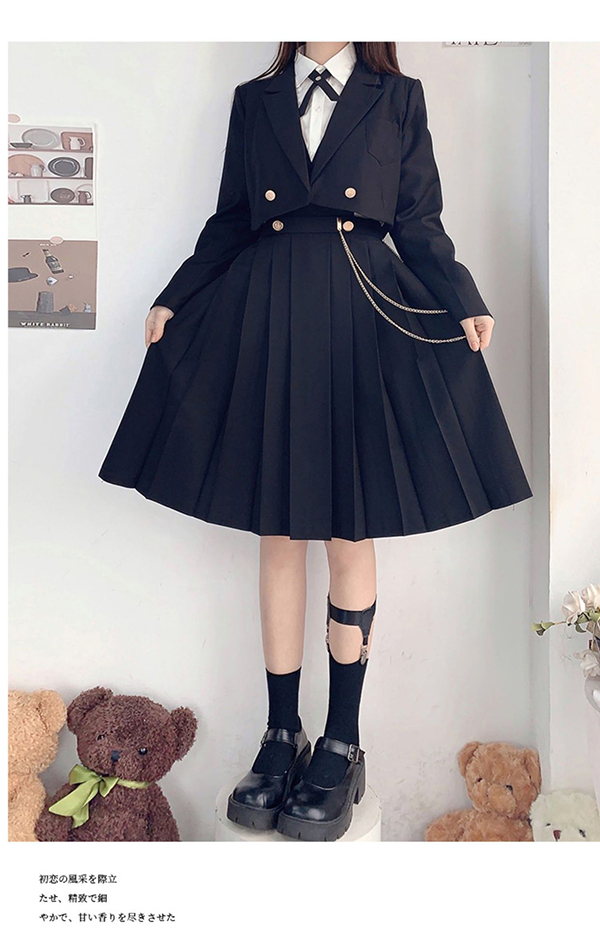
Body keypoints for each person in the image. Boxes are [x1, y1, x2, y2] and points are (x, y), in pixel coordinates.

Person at [99, 41, 532, 841]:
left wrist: (463, 296)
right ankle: (280, 733)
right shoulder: (254, 99)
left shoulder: (398, 97)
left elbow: (419, 220)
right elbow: (230, 220)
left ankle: (341, 740)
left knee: (348, 527)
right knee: (278, 532)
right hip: (267, 307)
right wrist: (175, 297)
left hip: (361, 311)